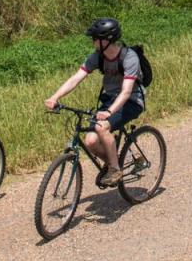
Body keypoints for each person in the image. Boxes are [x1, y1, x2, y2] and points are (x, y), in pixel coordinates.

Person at [44, 17, 145, 186]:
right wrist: (55, 97)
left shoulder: (129, 57)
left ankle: (115, 169)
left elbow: (126, 91)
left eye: (95, 38)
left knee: (101, 127)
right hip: (110, 100)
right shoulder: (98, 57)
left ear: (106, 40)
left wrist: (109, 112)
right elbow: (76, 78)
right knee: (90, 141)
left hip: (132, 100)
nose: (93, 42)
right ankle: (118, 161)